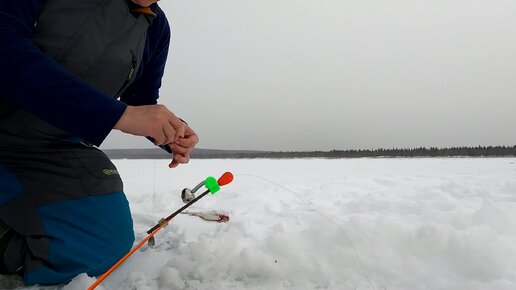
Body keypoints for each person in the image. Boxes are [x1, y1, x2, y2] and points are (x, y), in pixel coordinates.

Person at [0, 0, 198, 285]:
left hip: (48, 146)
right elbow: (5, 48)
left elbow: (140, 100)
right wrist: (116, 115)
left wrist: (171, 133)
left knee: (103, 245)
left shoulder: (156, 28)